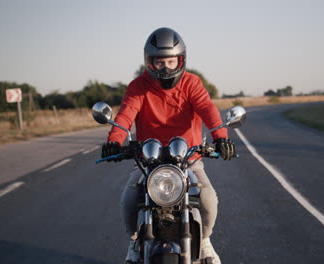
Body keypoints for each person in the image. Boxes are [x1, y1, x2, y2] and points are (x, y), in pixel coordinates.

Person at [101, 27, 236, 264]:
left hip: (189, 159)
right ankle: (135, 241)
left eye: (170, 61)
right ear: (149, 62)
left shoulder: (192, 83)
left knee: (209, 199)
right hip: (147, 161)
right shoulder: (138, 86)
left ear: (180, 60)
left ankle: (204, 240)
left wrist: (221, 137)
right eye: (159, 62)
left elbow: (207, 109)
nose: (165, 67)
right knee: (129, 199)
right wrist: (114, 141)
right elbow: (124, 116)